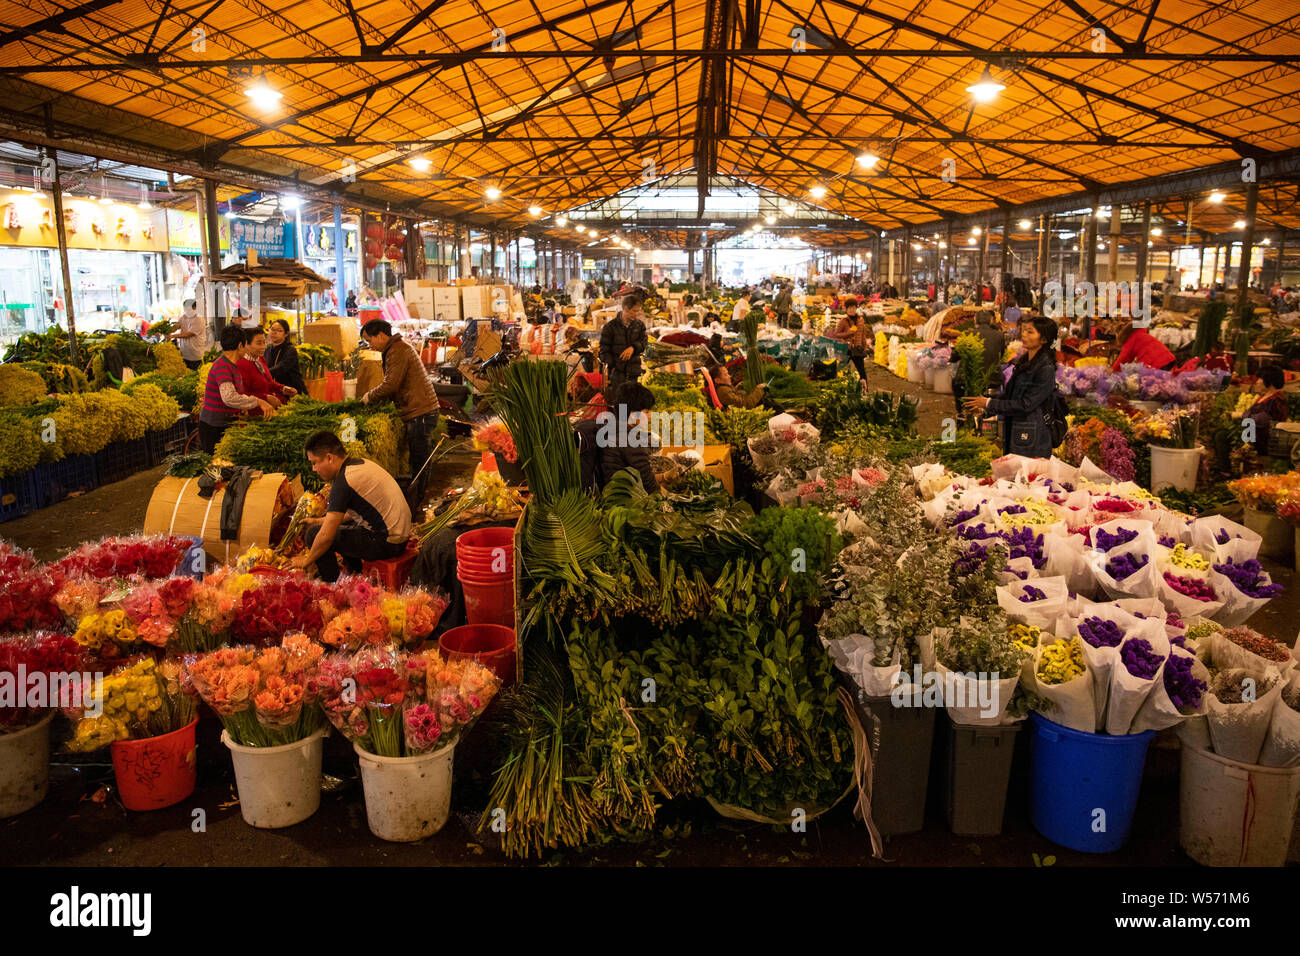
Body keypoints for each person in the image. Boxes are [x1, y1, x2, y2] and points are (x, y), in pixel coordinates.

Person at [292, 430, 411, 583]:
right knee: (340, 528)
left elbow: (326, 536)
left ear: (329, 458)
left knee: (314, 534)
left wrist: (306, 561)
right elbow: (356, 513)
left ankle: (332, 584)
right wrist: (319, 521)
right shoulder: (360, 464)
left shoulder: (343, 482)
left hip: (387, 543)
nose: (314, 469)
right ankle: (354, 574)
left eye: (314, 463)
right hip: (399, 537)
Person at [359, 319, 439, 508]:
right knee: (419, 458)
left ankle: (419, 502)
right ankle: (419, 498)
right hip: (421, 409)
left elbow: (391, 384)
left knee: (419, 461)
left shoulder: (397, 350)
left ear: (380, 335)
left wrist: (370, 396)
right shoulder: (396, 348)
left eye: (369, 340)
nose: (370, 345)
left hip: (420, 412)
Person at [963, 316, 1060, 459]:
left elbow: (1026, 404)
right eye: (1024, 331)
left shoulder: (1045, 368)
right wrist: (985, 407)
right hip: (1017, 429)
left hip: (1032, 434)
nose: (1024, 335)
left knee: (1027, 477)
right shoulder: (1025, 361)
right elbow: (1010, 396)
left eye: (1030, 332)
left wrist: (989, 403)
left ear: (1044, 339)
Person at [197, 325, 273, 453]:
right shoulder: (222, 366)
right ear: (240, 346)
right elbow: (229, 397)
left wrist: (243, 407)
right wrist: (258, 401)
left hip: (225, 423)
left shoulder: (233, 366)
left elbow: (237, 394)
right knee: (215, 467)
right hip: (213, 426)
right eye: (245, 345)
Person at [596, 382, 659, 492]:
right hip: (623, 498)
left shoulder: (611, 426)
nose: (649, 416)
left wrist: (665, 476)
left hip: (611, 491)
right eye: (647, 412)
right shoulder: (630, 441)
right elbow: (649, 484)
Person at [598, 287, 648, 395]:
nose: (637, 314)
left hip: (634, 371)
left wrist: (633, 348)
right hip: (617, 374)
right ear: (625, 308)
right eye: (634, 311)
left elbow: (644, 342)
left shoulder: (639, 325)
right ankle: (621, 413)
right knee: (621, 404)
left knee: (633, 402)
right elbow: (603, 350)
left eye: (638, 311)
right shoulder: (610, 327)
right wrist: (614, 366)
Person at [237, 328, 296, 407]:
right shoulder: (240, 365)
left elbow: (268, 382)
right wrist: (265, 398)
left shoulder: (260, 359)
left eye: (264, 342)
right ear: (246, 344)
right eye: (259, 343)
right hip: (255, 412)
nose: (263, 347)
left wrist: (282, 388)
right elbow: (241, 395)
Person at [1245, 365, 1288, 451]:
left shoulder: (1277, 400)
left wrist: (1245, 416)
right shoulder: (1263, 397)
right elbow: (1248, 415)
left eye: (1260, 378)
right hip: (1253, 438)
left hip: (1266, 442)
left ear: (1270, 381)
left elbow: (1261, 420)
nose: (1257, 382)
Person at [265, 318, 309, 395]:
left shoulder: (290, 350)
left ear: (286, 334)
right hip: (276, 390)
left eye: (279, 331)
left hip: (292, 390)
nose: (274, 333)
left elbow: (281, 367)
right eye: (272, 329)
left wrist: (263, 374)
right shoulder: (267, 349)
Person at [830, 297, 869, 381]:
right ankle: (836, 384)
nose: (852, 310)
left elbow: (863, 335)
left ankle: (865, 390)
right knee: (840, 370)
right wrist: (848, 332)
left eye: (854, 308)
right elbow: (836, 334)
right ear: (846, 309)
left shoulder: (860, 320)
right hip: (847, 350)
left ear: (856, 308)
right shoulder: (843, 321)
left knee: (862, 372)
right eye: (850, 308)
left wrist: (865, 347)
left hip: (858, 349)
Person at [1111, 321, 1176, 371]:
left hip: (1157, 364)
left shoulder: (1129, 339)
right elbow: (1129, 358)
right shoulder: (1140, 333)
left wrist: (1112, 370)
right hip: (1169, 359)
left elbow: (1123, 357)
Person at [168, 298, 209, 371]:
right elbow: (177, 326)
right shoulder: (183, 317)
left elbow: (189, 334)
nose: (187, 311)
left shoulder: (199, 319)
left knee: (195, 374)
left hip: (195, 354)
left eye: (189, 309)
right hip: (185, 353)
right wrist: (167, 329)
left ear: (195, 308)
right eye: (185, 309)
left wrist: (172, 336)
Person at [974, 310, 1007, 389]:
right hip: (994, 378)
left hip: (974, 378)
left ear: (975, 320)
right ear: (991, 320)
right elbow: (1002, 355)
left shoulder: (969, 334)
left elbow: (956, 356)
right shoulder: (999, 335)